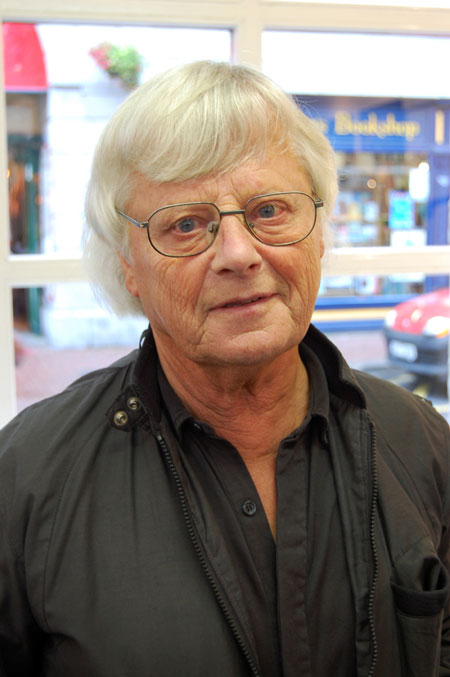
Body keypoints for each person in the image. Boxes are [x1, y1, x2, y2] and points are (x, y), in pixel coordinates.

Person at [0, 60, 449, 677]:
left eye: (269, 210)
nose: (238, 254)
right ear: (128, 264)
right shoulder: (28, 480)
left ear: (318, 233)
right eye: (186, 224)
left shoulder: (420, 442)